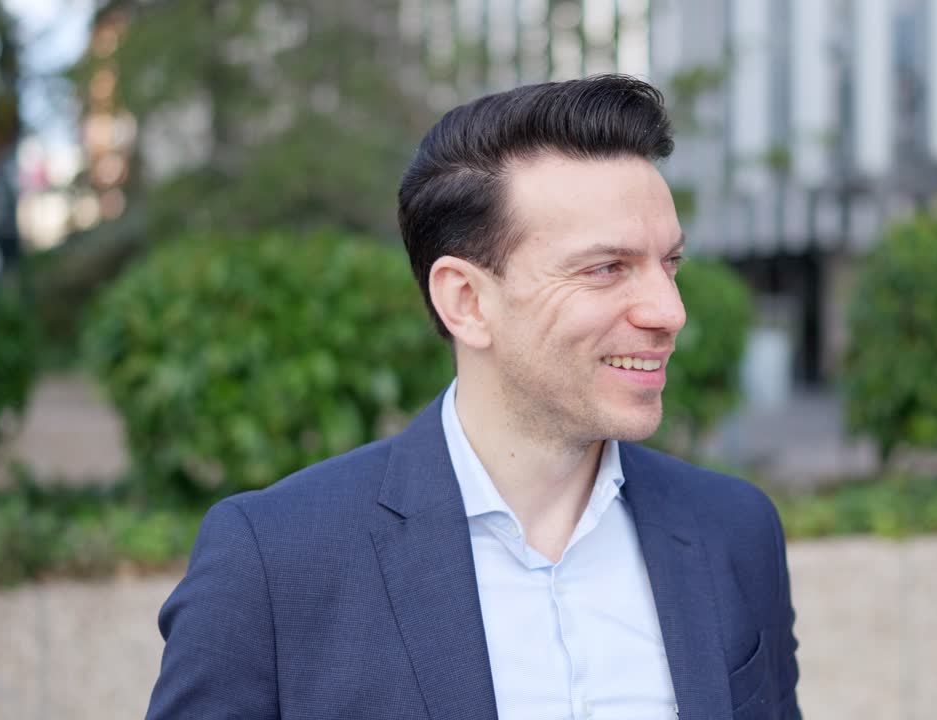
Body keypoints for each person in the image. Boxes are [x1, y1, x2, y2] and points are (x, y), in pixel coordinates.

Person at [146, 74, 800, 720]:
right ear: (466, 301)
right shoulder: (275, 562)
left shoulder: (735, 532)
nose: (668, 310)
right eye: (606, 269)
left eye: (671, 263)